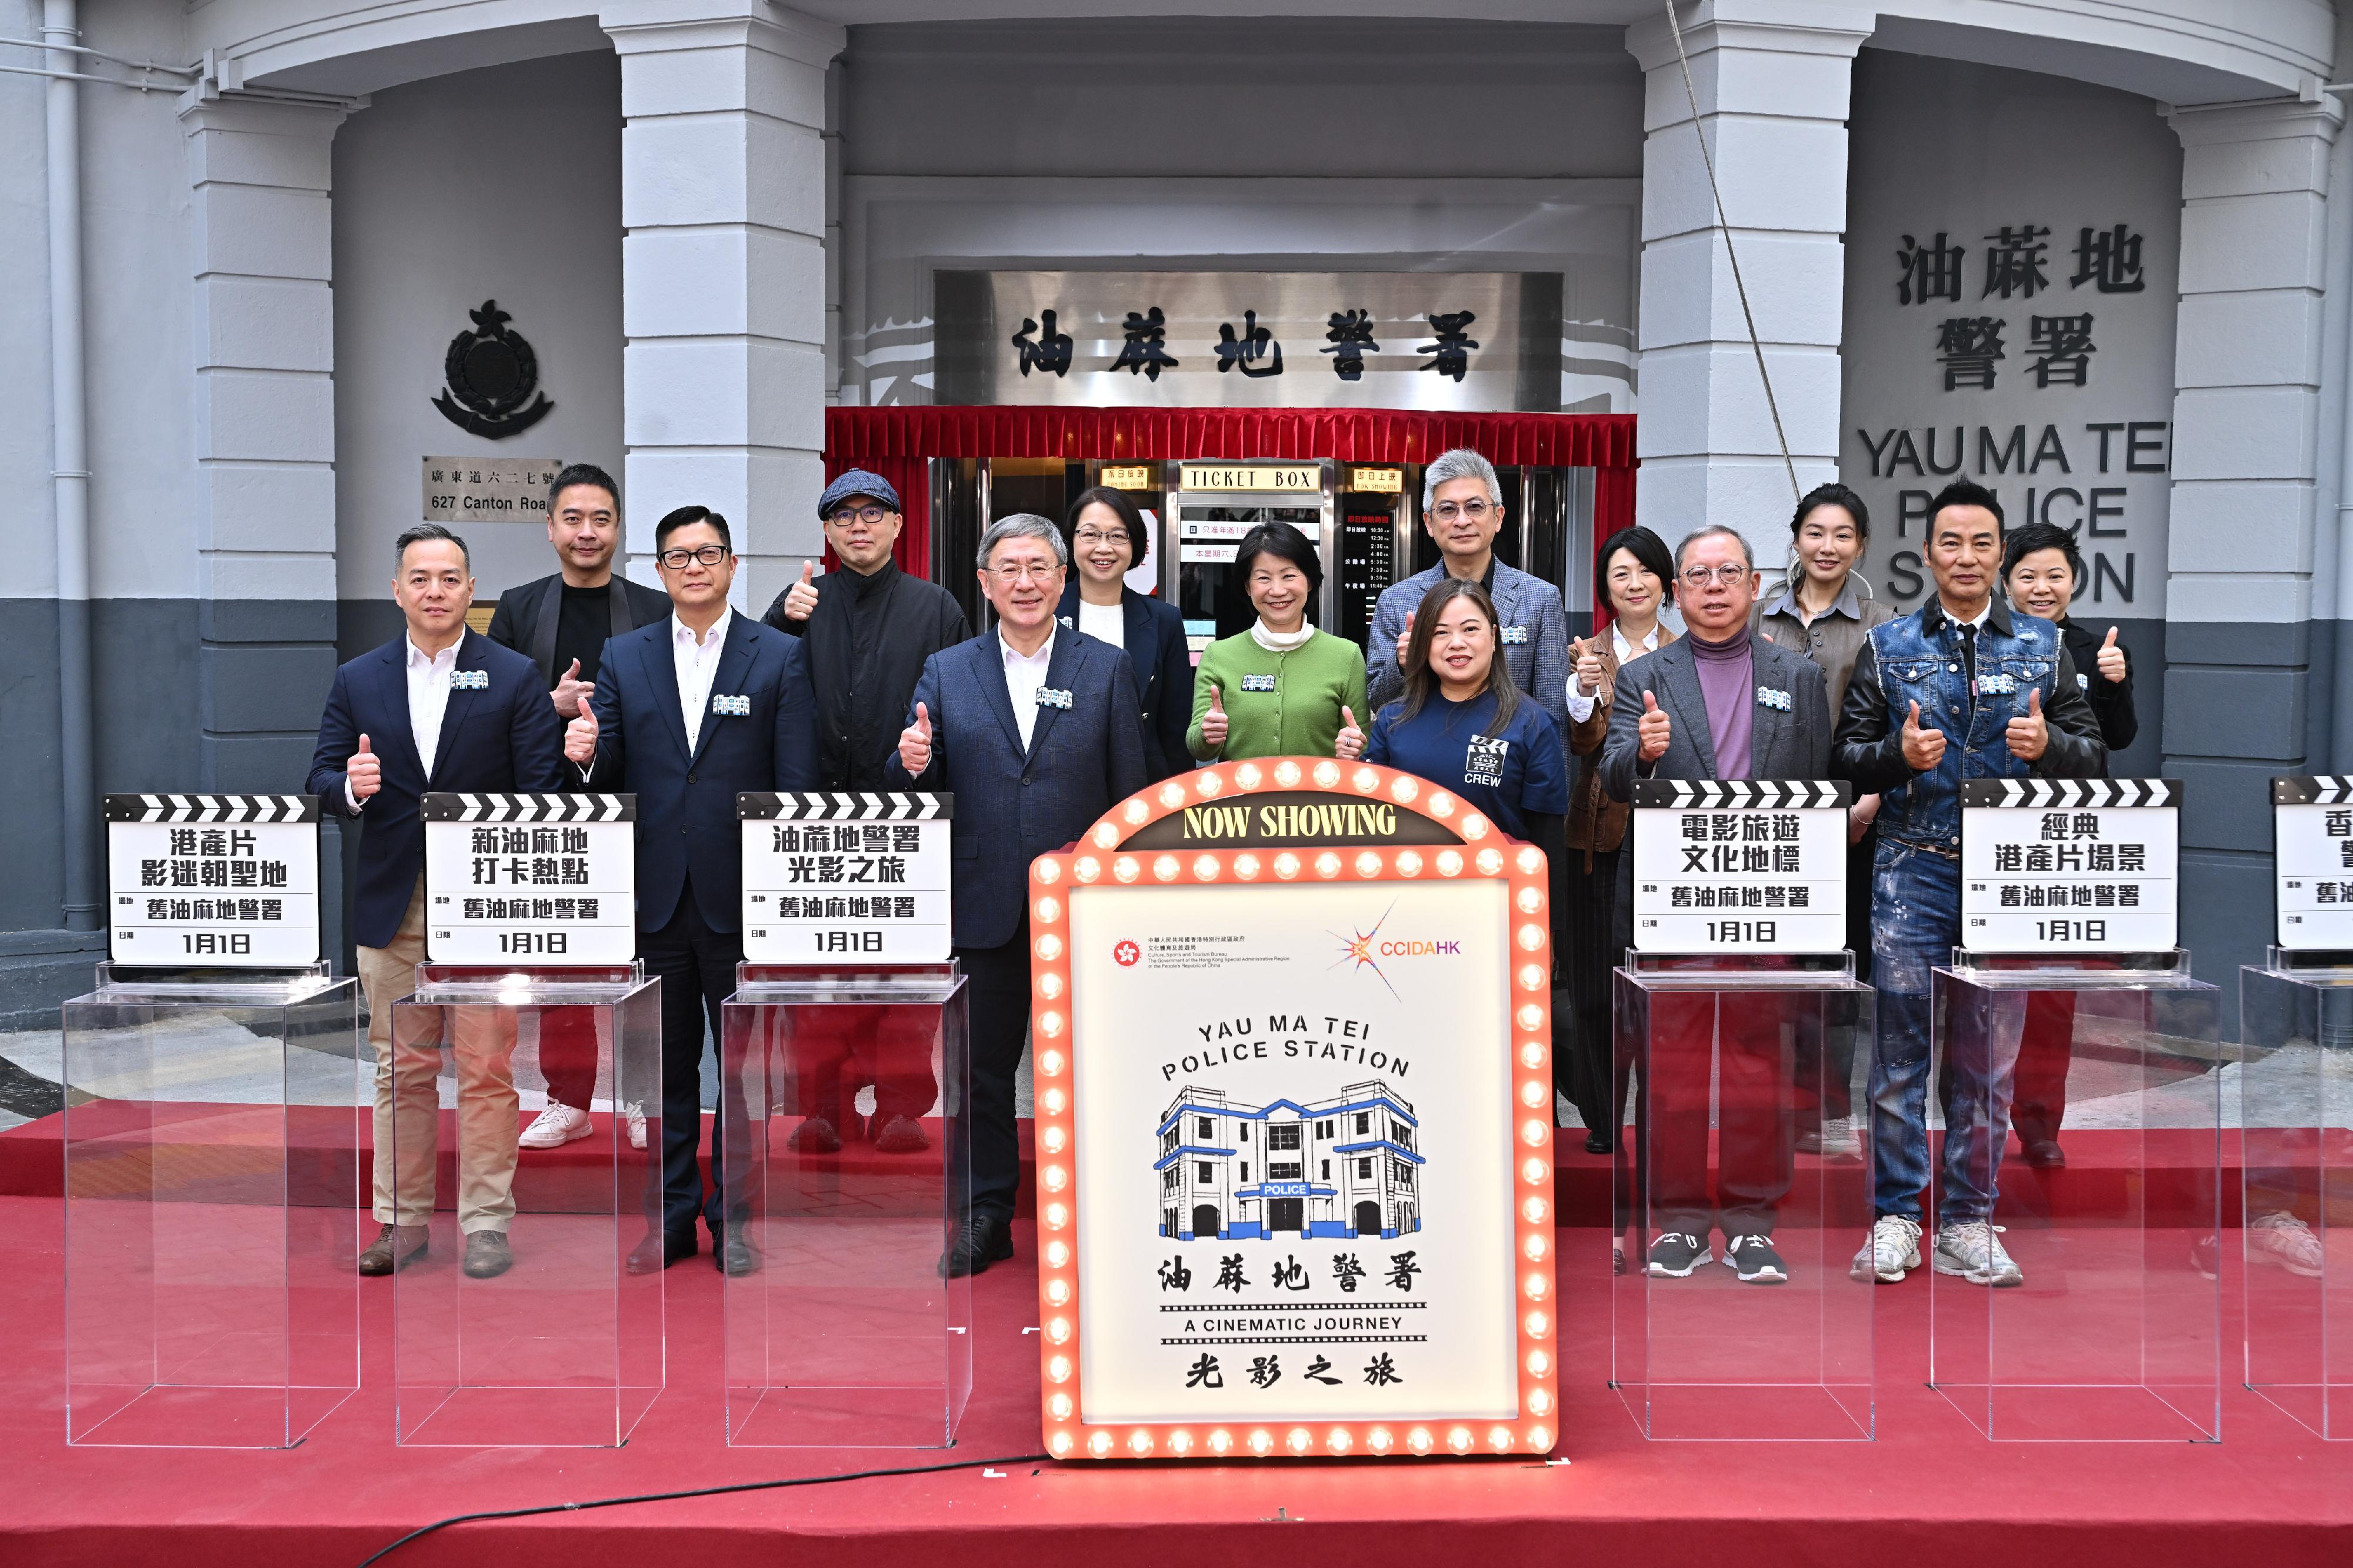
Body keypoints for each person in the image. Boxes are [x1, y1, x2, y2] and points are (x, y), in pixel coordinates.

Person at [1834, 479, 2107, 1290]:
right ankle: (1895, 1218)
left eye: (1981, 543)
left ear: (2000, 553)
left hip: (2004, 876)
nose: (1965, 557)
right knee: (1898, 1057)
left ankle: (1968, 1221)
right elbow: (1845, 756)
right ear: (1927, 554)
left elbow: (2092, 753)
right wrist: (1896, 757)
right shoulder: (1886, 645)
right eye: (1950, 543)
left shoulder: (2043, 645)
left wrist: (2048, 745)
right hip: (1909, 870)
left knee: (1987, 1062)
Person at [885, 514, 1148, 1276]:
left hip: (1084, 907)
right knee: (981, 1073)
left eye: (1040, 567)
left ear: (1064, 579)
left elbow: (1129, 793)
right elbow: (919, 780)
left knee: (1098, 1065)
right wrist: (911, 763)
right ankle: (986, 1213)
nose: (1025, 582)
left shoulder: (1106, 666)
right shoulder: (947, 668)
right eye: (1009, 568)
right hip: (984, 901)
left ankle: (1105, 1209)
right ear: (984, 581)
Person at [566, 506, 821, 1275]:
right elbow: (608, 772)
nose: (694, 568)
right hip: (656, 899)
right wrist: (585, 753)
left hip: (741, 901)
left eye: (708, 554)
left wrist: (781, 898)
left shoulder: (778, 655)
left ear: (732, 564)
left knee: (739, 1076)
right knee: (665, 1073)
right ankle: (672, 1218)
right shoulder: (626, 654)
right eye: (678, 556)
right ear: (659, 569)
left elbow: (795, 785)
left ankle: (733, 1220)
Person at [307, 524, 566, 1281]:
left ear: (471, 589)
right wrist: (348, 789)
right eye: (420, 578)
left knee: (487, 1067)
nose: (435, 590)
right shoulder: (358, 677)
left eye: (450, 578)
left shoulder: (513, 675)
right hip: (391, 901)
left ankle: (486, 1222)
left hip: (483, 904)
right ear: (397, 590)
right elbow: (320, 775)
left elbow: (540, 790)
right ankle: (401, 1220)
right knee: (401, 1067)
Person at [1598, 525, 1834, 1285]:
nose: (1713, 587)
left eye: (1728, 572)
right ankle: (1681, 1221)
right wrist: (1642, 752)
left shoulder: (1798, 675)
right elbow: (1610, 777)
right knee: (1671, 1075)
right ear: (1676, 591)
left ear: (1755, 584)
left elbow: (1818, 790)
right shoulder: (1645, 675)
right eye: (1697, 575)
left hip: (1766, 910)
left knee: (1759, 1074)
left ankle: (1752, 1222)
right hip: (1674, 912)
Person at [758, 469, 971, 1155]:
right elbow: (758, 684)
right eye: (843, 515)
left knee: (904, 971)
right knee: (815, 971)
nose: (859, 525)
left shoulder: (936, 606)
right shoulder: (801, 602)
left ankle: (901, 1108)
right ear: (826, 530)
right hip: (813, 822)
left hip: (907, 819)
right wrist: (778, 620)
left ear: (899, 524)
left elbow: (961, 701)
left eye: (873, 513)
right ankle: (821, 1108)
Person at [483, 462, 671, 1156]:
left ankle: (647, 1099)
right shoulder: (518, 606)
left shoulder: (653, 605)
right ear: (551, 527)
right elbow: (487, 704)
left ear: (618, 528)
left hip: (639, 808)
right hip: (549, 816)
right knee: (561, 967)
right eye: (573, 518)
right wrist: (548, 702)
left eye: (600, 519)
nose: (586, 531)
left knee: (648, 962)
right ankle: (570, 1101)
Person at [1754, 483, 1895, 1160]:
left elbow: (1894, 726)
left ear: (1860, 545)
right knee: (1768, 967)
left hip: (1851, 822)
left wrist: (1867, 802)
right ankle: (1767, 1108)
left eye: (1842, 534)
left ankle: (1830, 1111)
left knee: (1835, 969)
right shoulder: (1757, 615)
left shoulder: (1883, 624)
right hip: (1765, 822)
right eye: (1815, 532)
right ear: (1796, 538)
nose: (1827, 546)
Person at [1998, 521, 2138, 1169]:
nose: (2041, 587)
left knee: (2053, 990)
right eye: (2027, 575)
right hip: (1990, 831)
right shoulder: (1984, 642)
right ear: (2006, 582)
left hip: (2062, 838)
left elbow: (2119, 739)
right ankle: (1972, 1120)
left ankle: (2038, 1124)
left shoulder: (2095, 648)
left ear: (2073, 582)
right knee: (1978, 986)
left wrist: (2114, 682)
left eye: (2054, 575)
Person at [1561, 525, 1678, 1155]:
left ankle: (1661, 1124)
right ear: (1605, 588)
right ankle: (1604, 1120)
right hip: (1599, 842)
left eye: (1644, 571)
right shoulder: (1588, 654)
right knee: (1595, 988)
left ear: (1666, 582)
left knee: (1659, 992)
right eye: (1619, 574)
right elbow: (1583, 744)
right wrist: (1583, 690)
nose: (1634, 584)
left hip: (1672, 843)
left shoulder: (1689, 651)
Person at [1365, 448, 1569, 756]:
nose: (1462, 521)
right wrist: (1402, 665)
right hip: (1420, 767)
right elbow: (1378, 701)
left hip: (1508, 770)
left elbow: (1553, 716)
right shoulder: (1397, 600)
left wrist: (1554, 786)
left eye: (1475, 507)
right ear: (1429, 523)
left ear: (1498, 517)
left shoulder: (1540, 598)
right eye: (1448, 510)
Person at [1364, 578, 1569, 859]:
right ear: (1423, 644)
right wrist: (1352, 767)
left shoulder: (1532, 724)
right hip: (1409, 881)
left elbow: (1548, 844)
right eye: (1440, 633)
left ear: (1494, 637)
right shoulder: (1392, 719)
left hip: (1497, 883)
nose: (1457, 643)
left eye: (1470, 629)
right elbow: (1372, 821)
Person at [1187, 519, 1368, 763]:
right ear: (1247, 587)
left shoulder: (1346, 656)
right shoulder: (1218, 656)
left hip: (1320, 789)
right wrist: (1207, 734)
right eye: (1263, 578)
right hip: (1241, 789)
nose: (1277, 590)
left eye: (1289, 576)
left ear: (1310, 581)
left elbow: (1362, 744)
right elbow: (1198, 748)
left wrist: (1352, 749)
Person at [1056, 485, 1192, 781]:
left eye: (1117, 536)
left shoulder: (1164, 621)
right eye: (1090, 535)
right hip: (1058, 781)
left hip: (1142, 782)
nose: (1103, 548)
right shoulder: (1045, 613)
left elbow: (1176, 727)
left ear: (1136, 545)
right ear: (1071, 541)